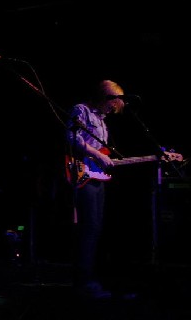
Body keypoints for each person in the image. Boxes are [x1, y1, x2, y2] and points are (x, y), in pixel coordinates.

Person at [65, 79, 126, 300]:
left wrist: (104, 157)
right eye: (112, 104)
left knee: (96, 228)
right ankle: (83, 282)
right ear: (104, 97)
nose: (112, 109)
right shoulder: (81, 110)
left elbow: (102, 148)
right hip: (82, 173)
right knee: (89, 228)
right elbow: (73, 138)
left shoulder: (102, 121)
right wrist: (98, 155)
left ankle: (91, 278)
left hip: (96, 175)